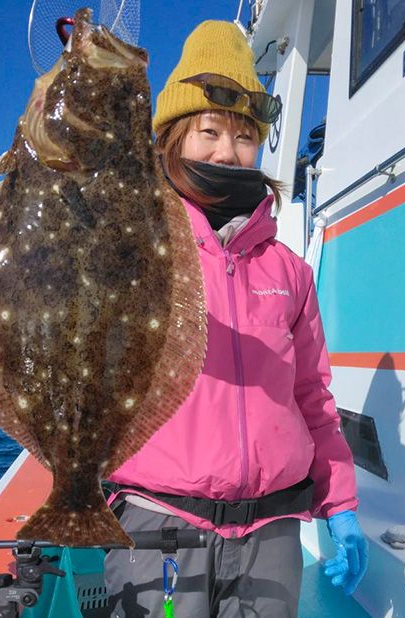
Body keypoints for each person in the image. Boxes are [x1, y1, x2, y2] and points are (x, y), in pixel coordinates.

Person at [101, 20, 369, 618]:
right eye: (209, 130)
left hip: (272, 533)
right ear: (171, 137)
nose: (227, 151)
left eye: (245, 136)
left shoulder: (291, 272)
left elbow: (312, 398)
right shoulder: (133, 246)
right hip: (159, 524)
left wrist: (340, 502)